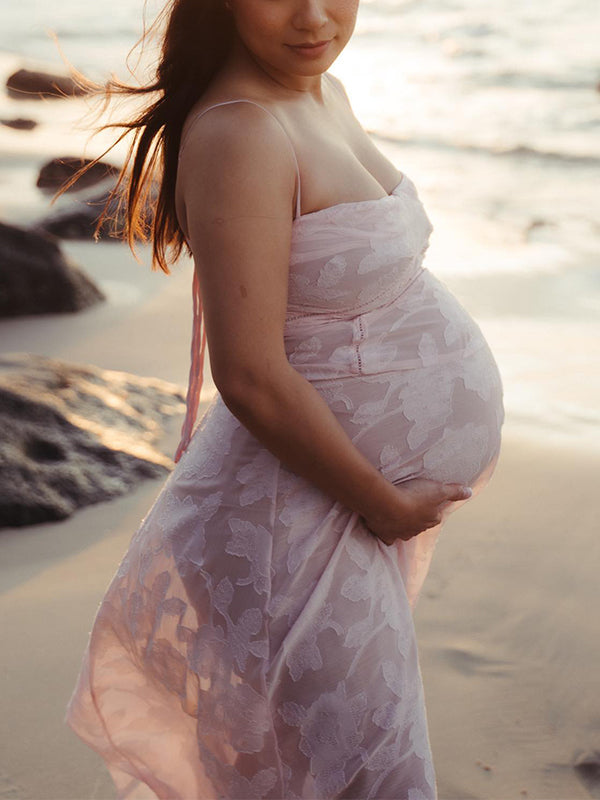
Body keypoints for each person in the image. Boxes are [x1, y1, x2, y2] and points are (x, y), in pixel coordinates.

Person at [64, 0, 504, 795]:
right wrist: (385, 504)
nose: (313, 15)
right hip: (289, 529)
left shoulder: (319, 90)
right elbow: (252, 376)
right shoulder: (240, 132)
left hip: (333, 514)